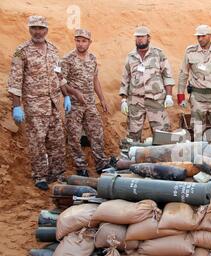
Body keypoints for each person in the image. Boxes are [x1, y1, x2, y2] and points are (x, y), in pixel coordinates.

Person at [7, 16, 84, 190]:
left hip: (54, 104)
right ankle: (40, 176)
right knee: (37, 142)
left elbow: (59, 77)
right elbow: (15, 81)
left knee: (57, 140)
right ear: (29, 29)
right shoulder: (22, 51)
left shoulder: (53, 50)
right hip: (35, 105)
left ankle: (57, 174)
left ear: (46, 30)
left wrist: (66, 96)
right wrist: (17, 106)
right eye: (34, 28)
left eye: (41, 28)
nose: (38, 31)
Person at [61, 28, 112, 177]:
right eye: (78, 40)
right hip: (74, 105)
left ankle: (101, 163)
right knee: (74, 136)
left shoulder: (92, 58)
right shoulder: (67, 59)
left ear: (89, 42)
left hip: (89, 103)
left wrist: (102, 99)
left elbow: (95, 79)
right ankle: (80, 166)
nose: (81, 44)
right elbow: (61, 82)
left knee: (96, 132)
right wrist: (74, 93)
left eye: (84, 41)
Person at [119, 26, 175, 142]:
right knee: (132, 135)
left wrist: (169, 96)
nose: (139, 39)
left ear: (148, 38)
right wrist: (124, 100)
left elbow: (167, 76)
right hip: (136, 102)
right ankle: (133, 158)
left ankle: (162, 158)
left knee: (162, 135)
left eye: (142, 37)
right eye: (137, 37)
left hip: (155, 100)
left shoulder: (158, 54)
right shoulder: (130, 57)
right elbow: (125, 79)